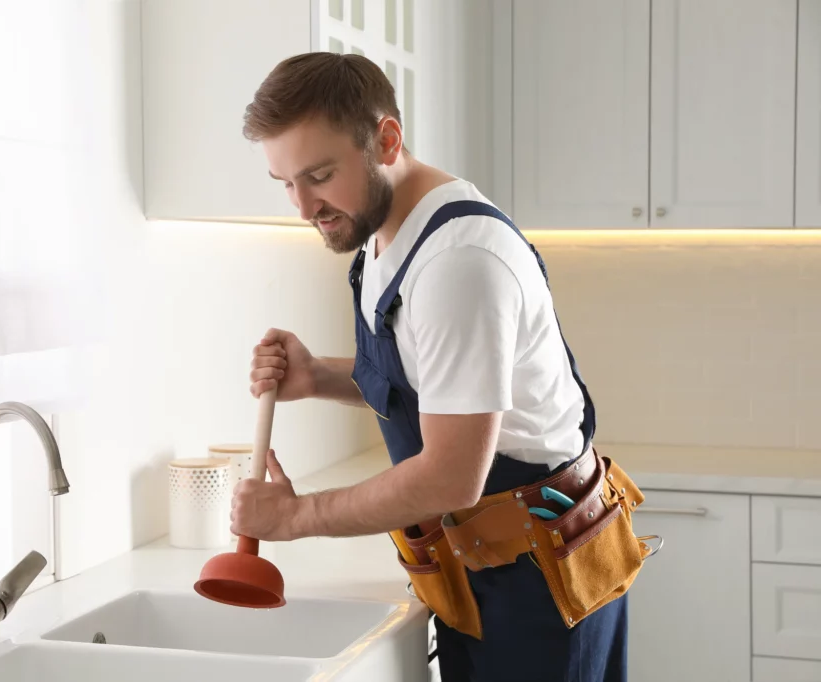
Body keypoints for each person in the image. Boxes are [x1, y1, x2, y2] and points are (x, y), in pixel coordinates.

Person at [230, 52, 630, 682]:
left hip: (540, 583)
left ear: (386, 140)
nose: (304, 207)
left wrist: (294, 517)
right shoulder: (384, 233)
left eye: (320, 175)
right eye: (285, 183)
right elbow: (435, 382)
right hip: (475, 572)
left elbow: (450, 477)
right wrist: (320, 377)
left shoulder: (458, 262)